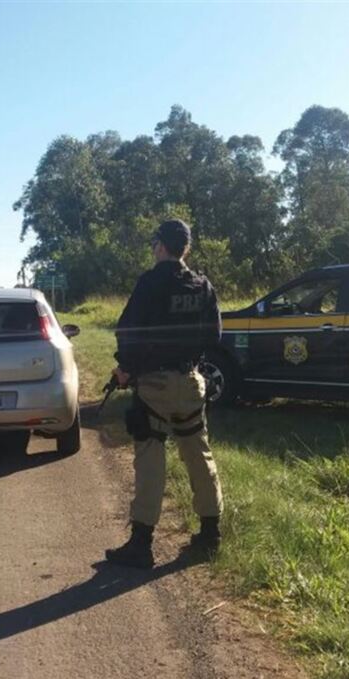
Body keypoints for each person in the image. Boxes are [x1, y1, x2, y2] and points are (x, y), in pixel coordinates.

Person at [105, 219, 224, 569]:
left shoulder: (150, 282)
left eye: (154, 244)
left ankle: (141, 545)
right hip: (190, 382)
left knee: (150, 459)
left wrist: (126, 367)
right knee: (198, 453)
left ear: (161, 246)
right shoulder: (202, 285)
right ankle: (210, 534)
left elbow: (128, 331)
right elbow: (214, 336)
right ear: (185, 247)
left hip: (154, 386)